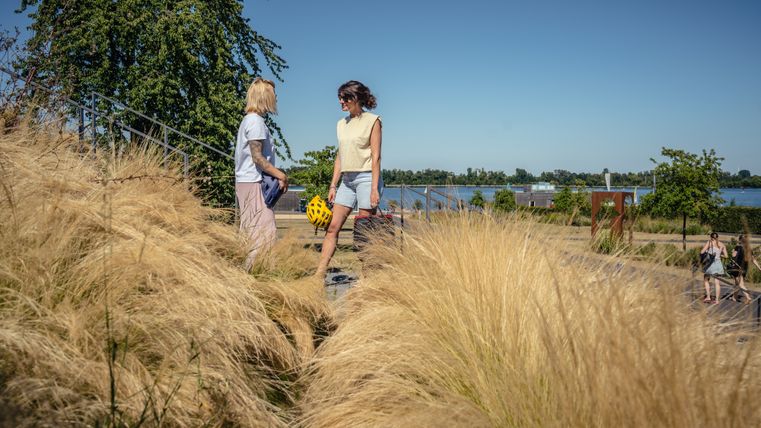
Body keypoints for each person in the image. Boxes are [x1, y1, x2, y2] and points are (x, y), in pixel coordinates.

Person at [315, 80, 383, 278]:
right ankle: (319, 274)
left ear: (356, 98)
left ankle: (368, 278)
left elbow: (376, 156)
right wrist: (333, 184)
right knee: (332, 227)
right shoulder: (341, 124)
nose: (341, 102)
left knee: (364, 232)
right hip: (347, 180)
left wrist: (373, 188)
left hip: (366, 178)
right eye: (340, 98)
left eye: (345, 98)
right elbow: (340, 155)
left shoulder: (373, 121)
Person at [234, 77, 288, 269]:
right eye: (273, 95)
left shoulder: (249, 120)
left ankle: (250, 273)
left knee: (251, 231)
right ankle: (258, 274)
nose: (276, 99)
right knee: (265, 232)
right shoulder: (255, 122)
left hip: (246, 182)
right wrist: (281, 175)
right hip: (253, 182)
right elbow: (257, 157)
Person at [729, 234, 761, 304]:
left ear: (740, 240)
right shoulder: (748, 249)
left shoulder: (738, 247)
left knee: (740, 284)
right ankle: (734, 297)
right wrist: (759, 268)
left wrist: (732, 252)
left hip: (737, 267)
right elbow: (753, 260)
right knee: (737, 283)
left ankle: (748, 297)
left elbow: (733, 256)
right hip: (744, 268)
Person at [701, 232, 728, 304]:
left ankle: (708, 297)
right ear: (718, 237)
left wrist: (707, 252)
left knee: (706, 279)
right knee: (717, 282)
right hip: (718, 264)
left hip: (710, 264)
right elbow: (726, 256)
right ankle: (717, 300)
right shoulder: (722, 244)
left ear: (711, 237)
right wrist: (719, 255)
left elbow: (702, 252)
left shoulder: (709, 242)